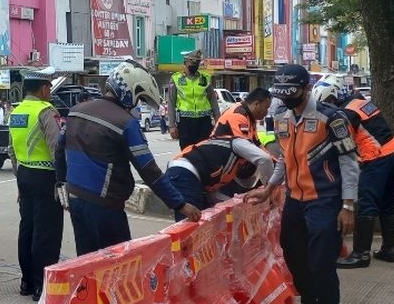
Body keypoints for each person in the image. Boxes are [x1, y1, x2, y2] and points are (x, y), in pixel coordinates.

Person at [247, 64, 359, 304]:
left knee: (322, 264)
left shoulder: (332, 119)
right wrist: (270, 188)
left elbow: (349, 162)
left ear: (307, 89)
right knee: (292, 252)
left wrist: (348, 205)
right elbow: (284, 157)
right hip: (295, 199)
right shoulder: (281, 116)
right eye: (281, 96)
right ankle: (309, 302)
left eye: (291, 94)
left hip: (325, 200)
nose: (286, 101)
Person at [56, 60, 202, 255]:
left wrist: (61, 182)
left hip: (75, 199)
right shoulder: (126, 123)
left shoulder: (76, 111)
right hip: (106, 208)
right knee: (119, 267)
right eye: (139, 98)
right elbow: (150, 171)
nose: (137, 104)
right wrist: (180, 204)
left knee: (86, 264)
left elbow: (59, 148)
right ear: (130, 91)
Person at [318, 85, 394, 268]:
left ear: (332, 99)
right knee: (387, 204)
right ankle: (389, 249)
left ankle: (360, 254)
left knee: (366, 205)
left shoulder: (346, 114)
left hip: (375, 158)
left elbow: (344, 145)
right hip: (393, 152)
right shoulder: (361, 102)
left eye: (326, 104)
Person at [8, 74, 64, 301]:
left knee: (27, 228)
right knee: (46, 231)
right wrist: (62, 181)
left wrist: (19, 179)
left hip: (24, 174)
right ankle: (43, 285)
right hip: (45, 177)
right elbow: (56, 148)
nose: (49, 92)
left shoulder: (16, 112)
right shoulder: (45, 111)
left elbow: (11, 151)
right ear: (43, 89)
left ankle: (27, 282)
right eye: (48, 88)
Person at [163, 135, 275, 220]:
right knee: (191, 226)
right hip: (183, 172)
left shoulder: (227, 167)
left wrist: (236, 208)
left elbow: (214, 197)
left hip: (190, 176)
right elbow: (265, 159)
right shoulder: (238, 144)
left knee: (205, 220)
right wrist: (269, 194)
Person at [165, 50, 220, 149]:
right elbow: (171, 103)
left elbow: (213, 101)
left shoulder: (205, 78)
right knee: (187, 153)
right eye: (193, 62)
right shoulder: (176, 78)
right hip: (185, 123)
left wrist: (218, 120)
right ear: (185, 62)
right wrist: (172, 125)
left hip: (204, 122)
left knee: (205, 152)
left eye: (197, 63)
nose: (195, 65)